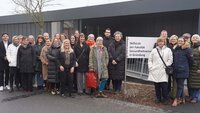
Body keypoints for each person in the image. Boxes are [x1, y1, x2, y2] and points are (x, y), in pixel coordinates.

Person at [148, 38, 173, 104]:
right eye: (159, 42)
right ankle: (158, 98)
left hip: (163, 70)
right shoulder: (154, 50)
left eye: (162, 42)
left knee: (164, 85)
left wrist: (165, 66)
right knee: (157, 85)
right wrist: (151, 67)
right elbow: (150, 60)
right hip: (155, 70)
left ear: (164, 42)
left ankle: (166, 99)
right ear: (157, 43)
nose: (160, 43)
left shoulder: (168, 50)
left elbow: (170, 59)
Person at [172, 37, 194, 107]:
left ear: (184, 42)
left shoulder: (188, 50)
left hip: (183, 71)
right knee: (179, 85)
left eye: (181, 41)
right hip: (176, 70)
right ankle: (183, 99)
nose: (180, 42)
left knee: (180, 86)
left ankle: (176, 99)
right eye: (179, 41)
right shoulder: (176, 49)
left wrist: (186, 67)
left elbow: (191, 61)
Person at [188, 34, 200, 103]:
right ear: (191, 39)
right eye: (193, 37)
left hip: (197, 69)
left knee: (197, 84)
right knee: (191, 83)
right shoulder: (191, 46)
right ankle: (192, 97)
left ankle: (196, 97)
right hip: (191, 68)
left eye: (196, 38)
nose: (194, 39)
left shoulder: (199, 47)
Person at [168, 35, 178, 99]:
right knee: (168, 81)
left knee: (175, 82)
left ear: (177, 40)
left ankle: (174, 96)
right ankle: (168, 94)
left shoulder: (179, 46)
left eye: (174, 39)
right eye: (172, 39)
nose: (173, 40)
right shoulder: (168, 46)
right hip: (169, 67)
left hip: (176, 66)